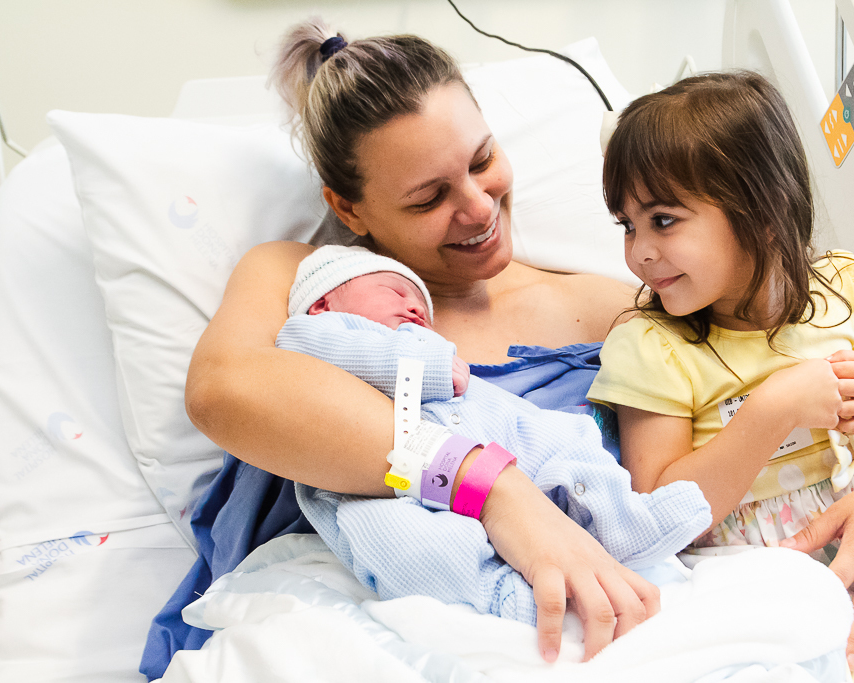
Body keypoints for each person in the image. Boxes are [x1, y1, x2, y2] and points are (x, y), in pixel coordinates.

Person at [184, 17, 653, 663]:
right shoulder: (303, 280)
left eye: (482, 161)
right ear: (348, 209)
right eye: (429, 198)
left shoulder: (606, 308)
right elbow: (222, 392)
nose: (480, 207)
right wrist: (491, 488)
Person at [587, 72, 854, 678]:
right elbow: (659, 513)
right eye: (628, 225)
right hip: (739, 578)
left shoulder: (840, 290)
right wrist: (772, 409)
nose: (638, 251)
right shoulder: (653, 347)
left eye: (663, 220)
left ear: (763, 211)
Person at [277, 244, 711, 624]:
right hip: (381, 484)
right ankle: (500, 593)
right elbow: (324, 352)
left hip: (490, 437)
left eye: (421, 304)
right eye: (395, 292)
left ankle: (622, 519)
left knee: (568, 439)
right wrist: (426, 363)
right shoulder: (314, 333)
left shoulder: (425, 344)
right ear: (323, 303)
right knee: (411, 545)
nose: (415, 307)